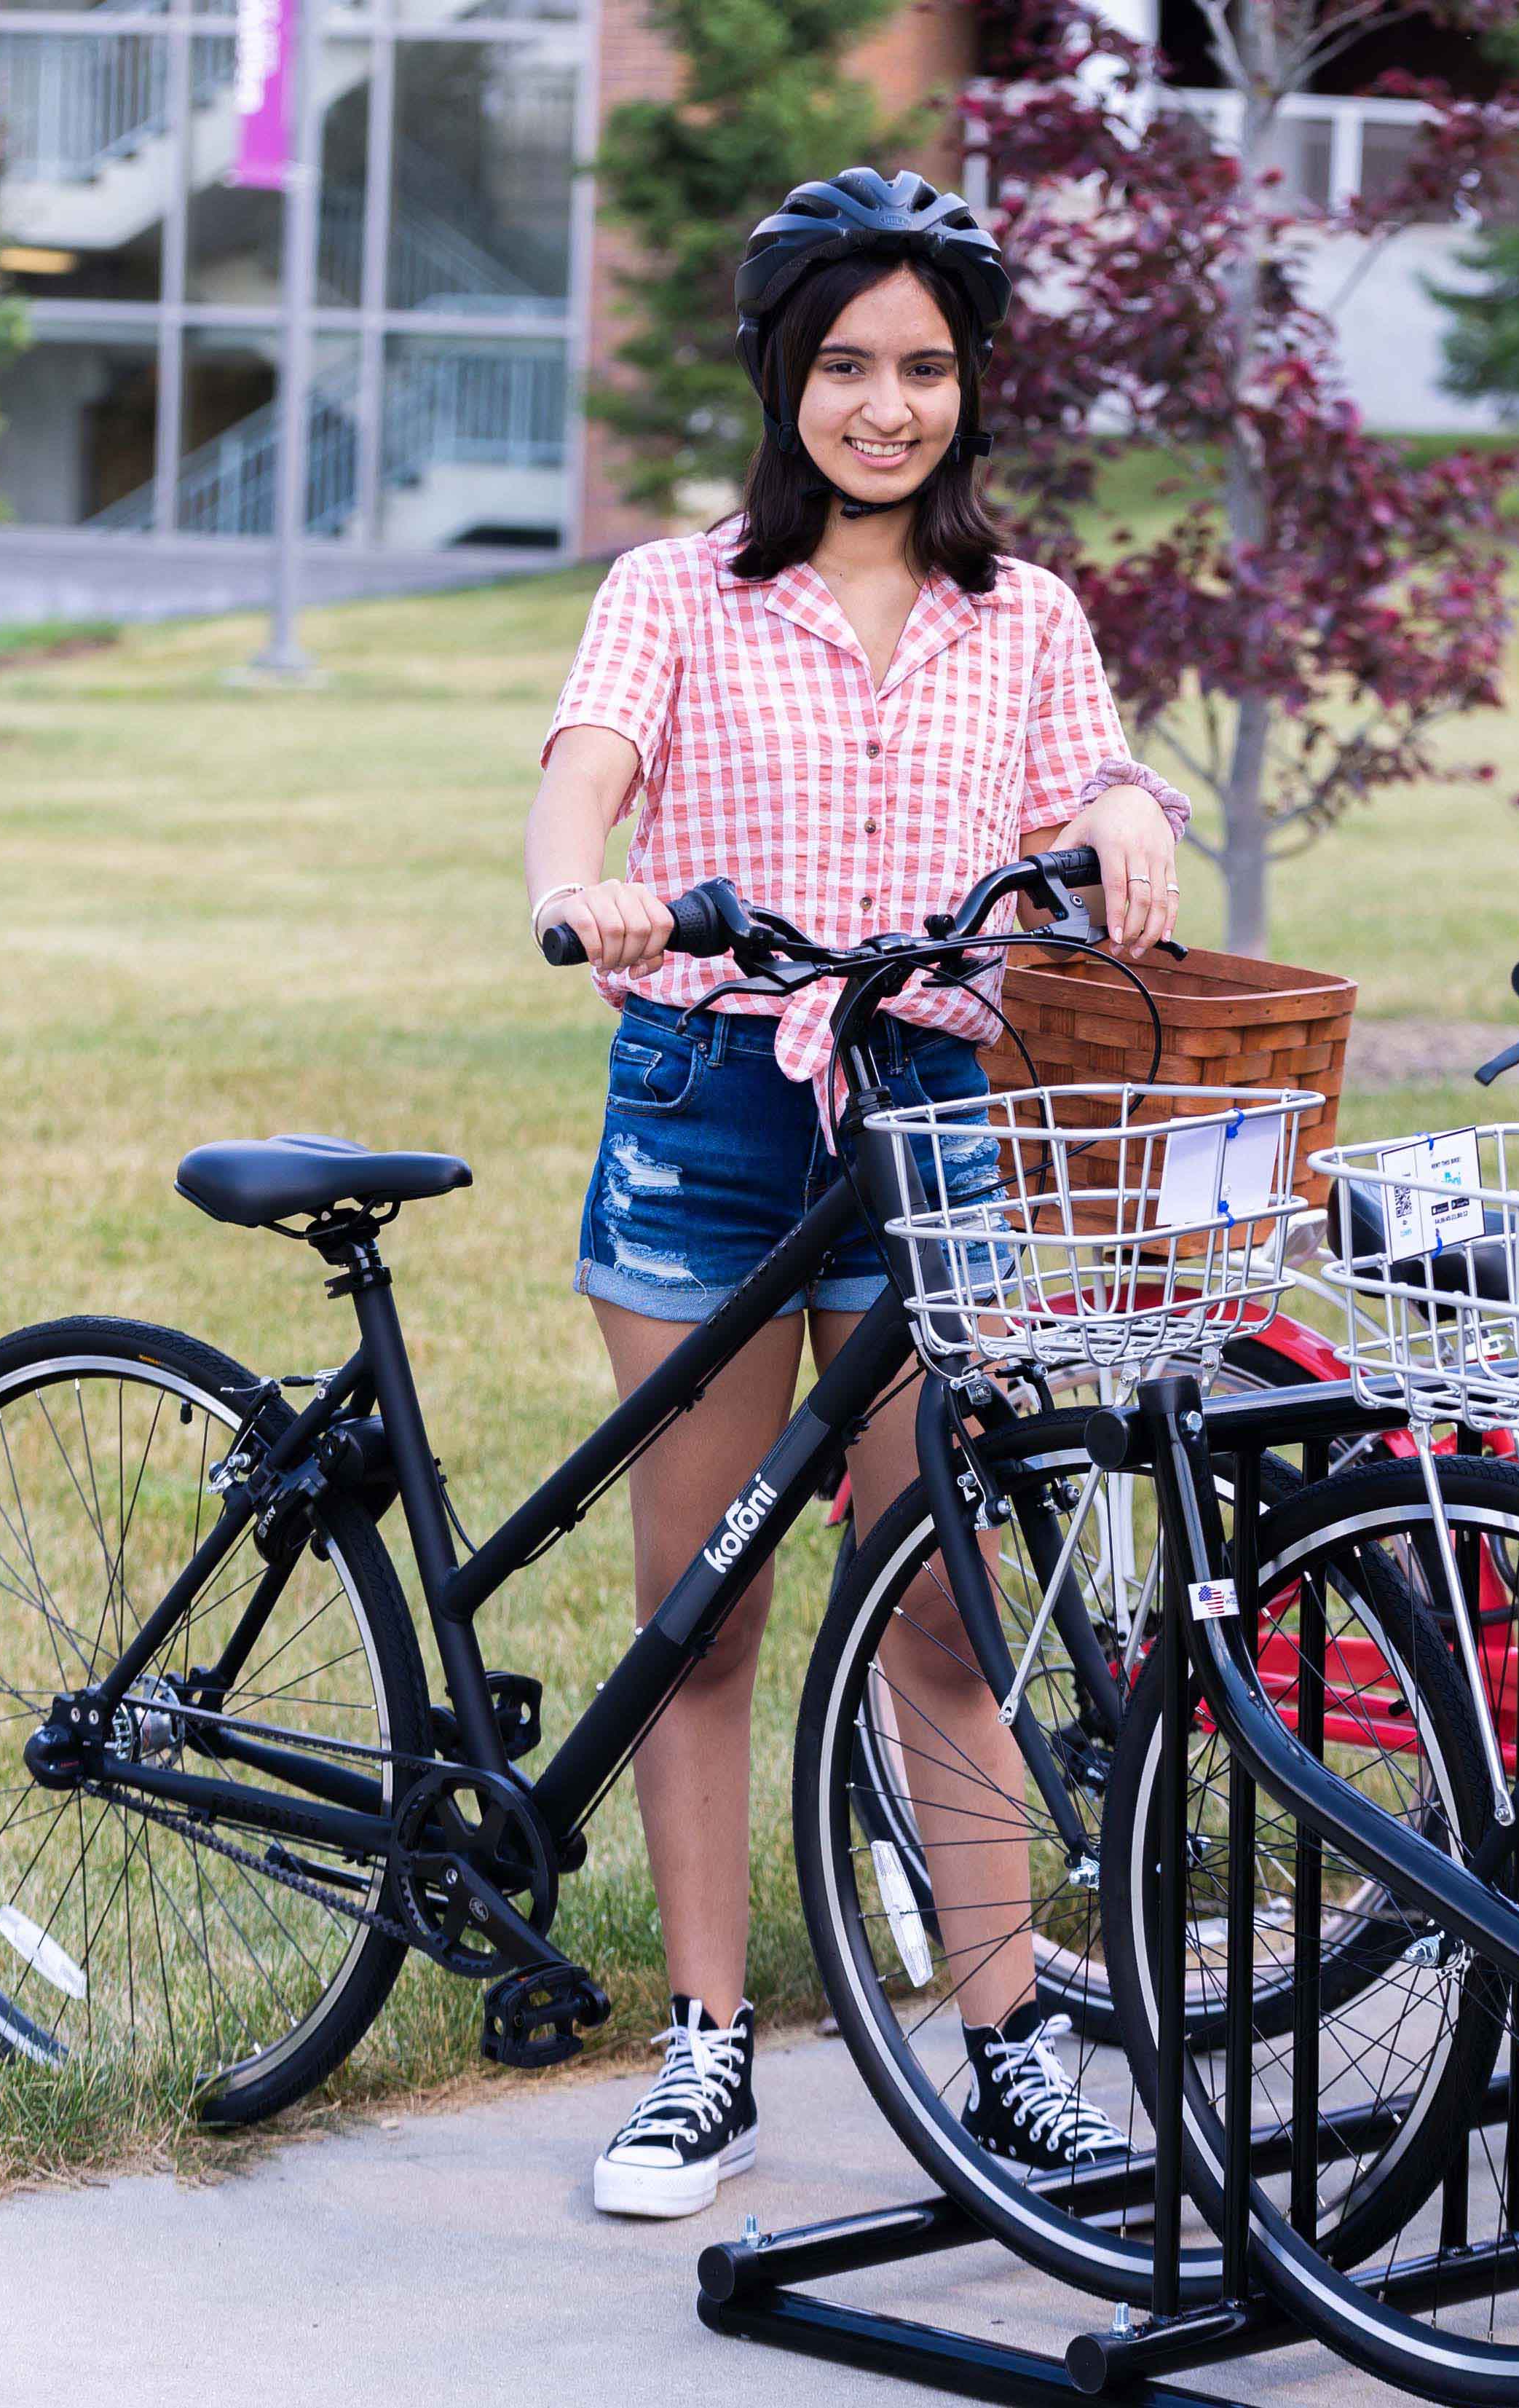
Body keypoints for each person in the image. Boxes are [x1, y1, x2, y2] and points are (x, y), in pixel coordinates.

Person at [523, 168, 1191, 2220]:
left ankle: (1006, 2045)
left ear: (971, 387)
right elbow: (587, 768)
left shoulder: (1032, 612)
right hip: (717, 1100)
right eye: (844, 366)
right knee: (701, 1612)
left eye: (921, 367)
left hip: (935, 1110)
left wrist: (1128, 816)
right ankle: (707, 2044)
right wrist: (581, 882)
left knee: (943, 1617)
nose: (884, 406)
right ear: (781, 377)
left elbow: (1093, 773)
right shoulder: (679, 588)